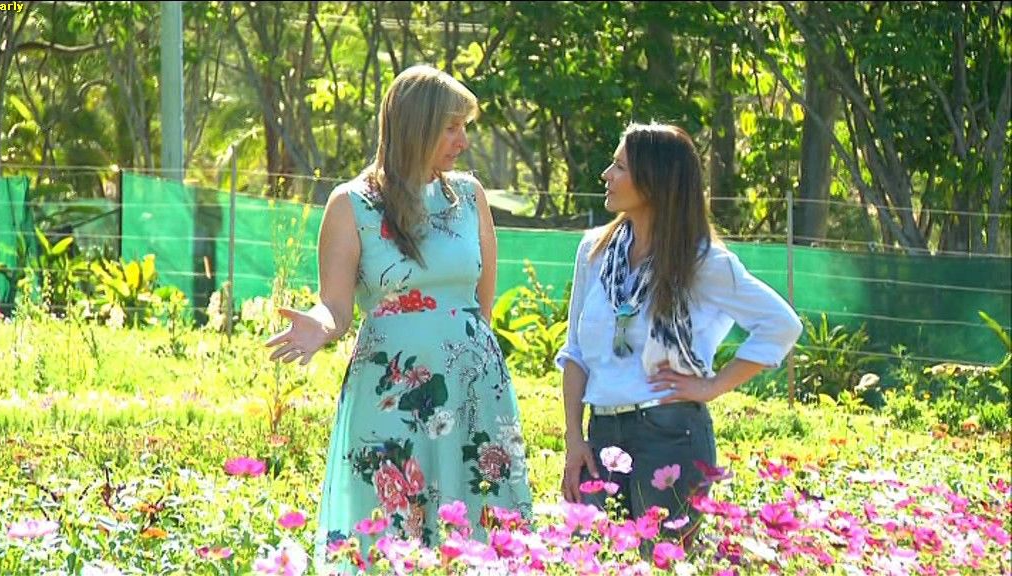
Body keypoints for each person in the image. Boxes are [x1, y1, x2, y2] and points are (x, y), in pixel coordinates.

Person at [266, 65, 532, 567]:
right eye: (451, 127)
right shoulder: (351, 204)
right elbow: (336, 305)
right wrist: (321, 326)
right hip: (391, 394)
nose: (463, 141)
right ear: (416, 126)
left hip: (473, 389)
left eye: (464, 127)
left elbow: (481, 305)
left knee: (478, 525)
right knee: (391, 528)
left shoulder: (470, 196)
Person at [557, 122, 802, 544]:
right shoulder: (594, 252)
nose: (606, 175)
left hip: (670, 435)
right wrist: (574, 438)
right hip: (600, 439)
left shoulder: (703, 262)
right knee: (594, 559)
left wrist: (711, 386)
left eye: (620, 167)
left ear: (655, 181)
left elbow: (781, 325)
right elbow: (575, 352)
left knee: (664, 559)